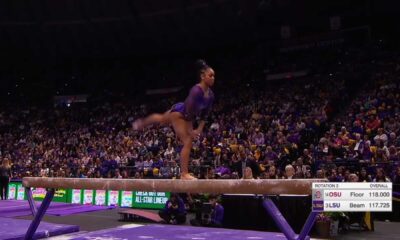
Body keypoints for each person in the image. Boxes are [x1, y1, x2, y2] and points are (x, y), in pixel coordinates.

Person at [133, 60, 215, 180]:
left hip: (180, 110)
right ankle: (184, 174)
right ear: (202, 76)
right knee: (187, 141)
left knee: (162, 119)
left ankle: (141, 123)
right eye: (210, 75)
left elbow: (205, 114)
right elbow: (189, 112)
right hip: (180, 113)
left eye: (214, 76)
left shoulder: (211, 95)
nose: (213, 78)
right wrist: (191, 129)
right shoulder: (196, 91)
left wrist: (200, 128)